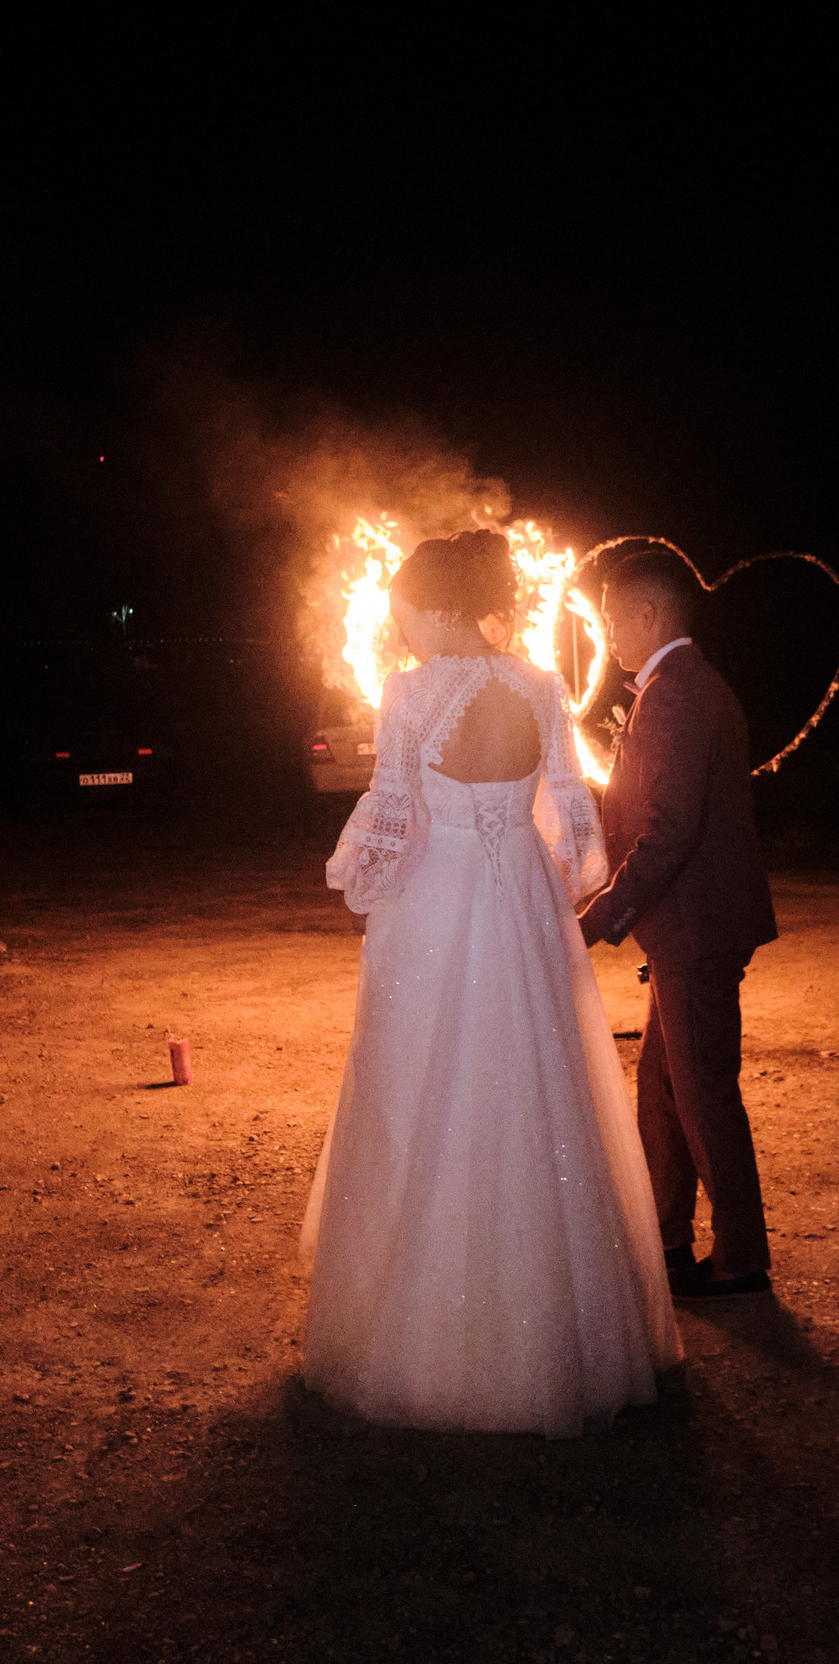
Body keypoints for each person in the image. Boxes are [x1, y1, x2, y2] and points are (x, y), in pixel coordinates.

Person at [305, 529, 681, 1436]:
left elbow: (391, 813)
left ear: (435, 606)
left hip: (439, 908)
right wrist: (548, 873)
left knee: (422, 1086)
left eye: (406, 611)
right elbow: (575, 818)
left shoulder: (409, 692)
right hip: (519, 905)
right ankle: (563, 1336)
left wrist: (361, 877)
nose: (400, 627)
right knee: (535, 1090)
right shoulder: (543, 687)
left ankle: (422, 1340)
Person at [577, 547, 780, 1300]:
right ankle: (666, 1239)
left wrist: (599, 919)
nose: (605, 634)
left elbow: (668, 831)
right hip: (687, 929)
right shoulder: (672, 687)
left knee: (700, 1089)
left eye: (609, 618)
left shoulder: (676, 694)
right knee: (664, 1086)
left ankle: (742, 1259)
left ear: (648, 613)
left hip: (696, 928)